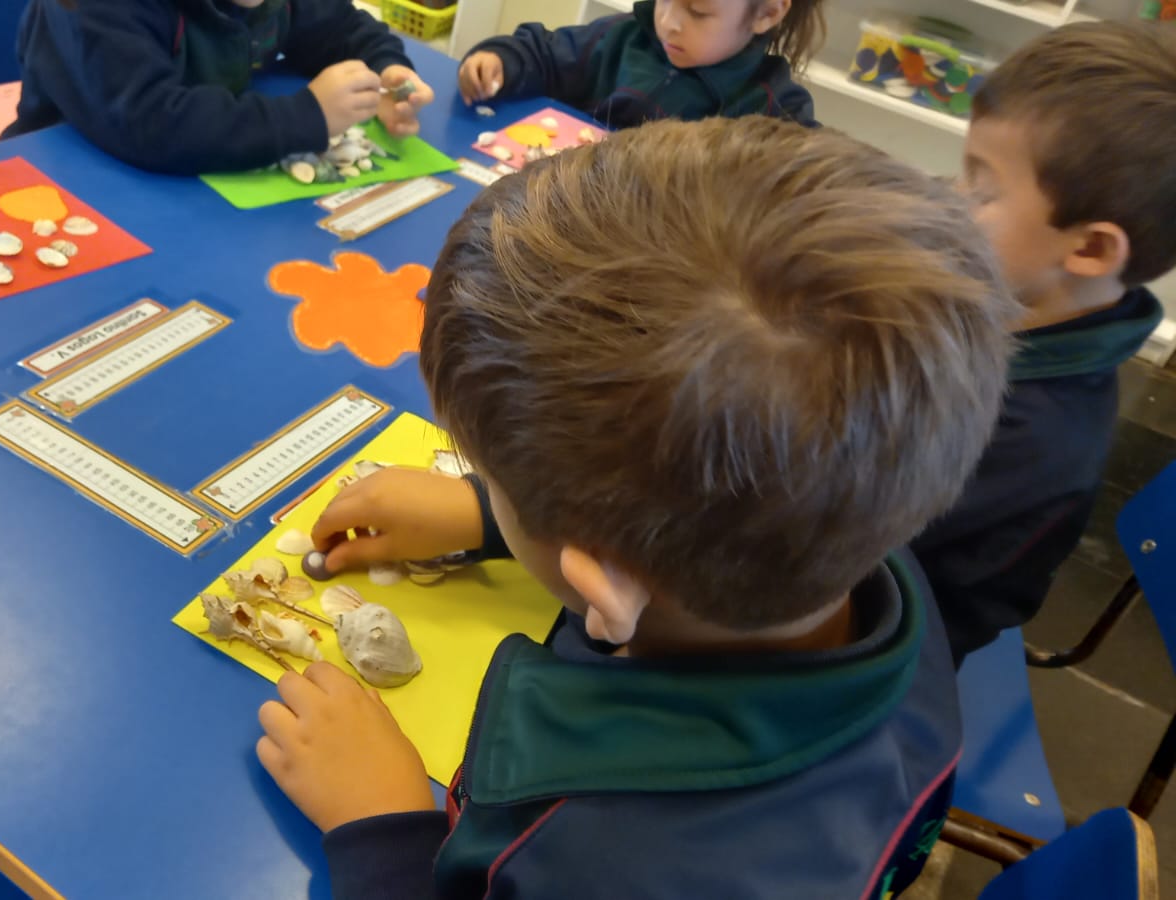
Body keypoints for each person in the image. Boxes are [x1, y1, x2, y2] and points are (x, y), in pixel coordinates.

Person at [252, 117, 1020, 898]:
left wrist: (382, 830)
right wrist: (493, 518)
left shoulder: (597, 862)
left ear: (604, 587)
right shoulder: (861, 528)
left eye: (491, 476)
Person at [913, 22, 1174, 666]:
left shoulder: (1028, 437)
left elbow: (832, 550)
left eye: (983, 189)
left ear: (1090, 248)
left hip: (888, 643)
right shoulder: (1002, 297)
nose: (955, 201)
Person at [4, 0, 434, 175]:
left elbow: (339, 27)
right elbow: (151, 123)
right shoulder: (93, 8)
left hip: (197, 186)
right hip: (71, 178)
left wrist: (387, 69)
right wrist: (307, 116)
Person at [457, 0, 820, 129]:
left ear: (767, 13)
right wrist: (501, 60)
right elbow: (545, 55)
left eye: (698, 11)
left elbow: (809, 182)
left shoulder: (772, 109)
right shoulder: (623, 36)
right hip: (561, 205)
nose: (668, 22)